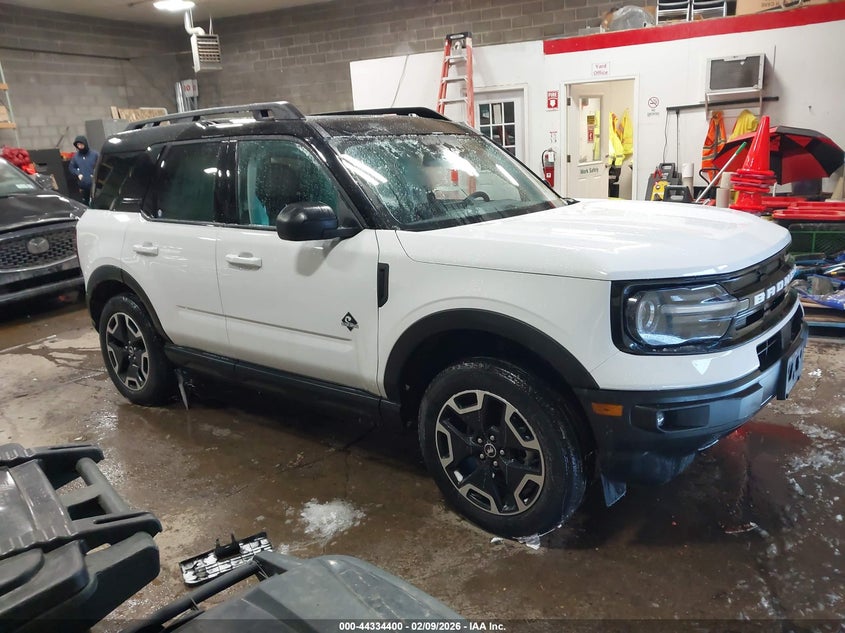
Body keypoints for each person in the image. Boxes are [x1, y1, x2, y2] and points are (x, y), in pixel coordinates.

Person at [68, 135, 99, 205]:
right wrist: (78, 173)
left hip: (95, 185)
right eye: (78, 145)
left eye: (81, 144)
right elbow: (71, 167)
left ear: (85, 143)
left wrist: (96, 173)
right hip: (83, 185)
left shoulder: (95, 154)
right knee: (85, 204)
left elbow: (102, 165)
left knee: (97, 203)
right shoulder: (75, 157)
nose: (80, 146)